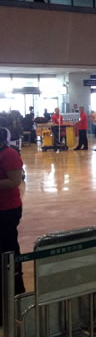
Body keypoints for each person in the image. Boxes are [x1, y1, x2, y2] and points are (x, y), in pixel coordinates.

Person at [0, 127, 26, 325]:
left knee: (9, 251)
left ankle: (17, 293)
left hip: (7, 210)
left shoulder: (9, 154)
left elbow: (14, 181)